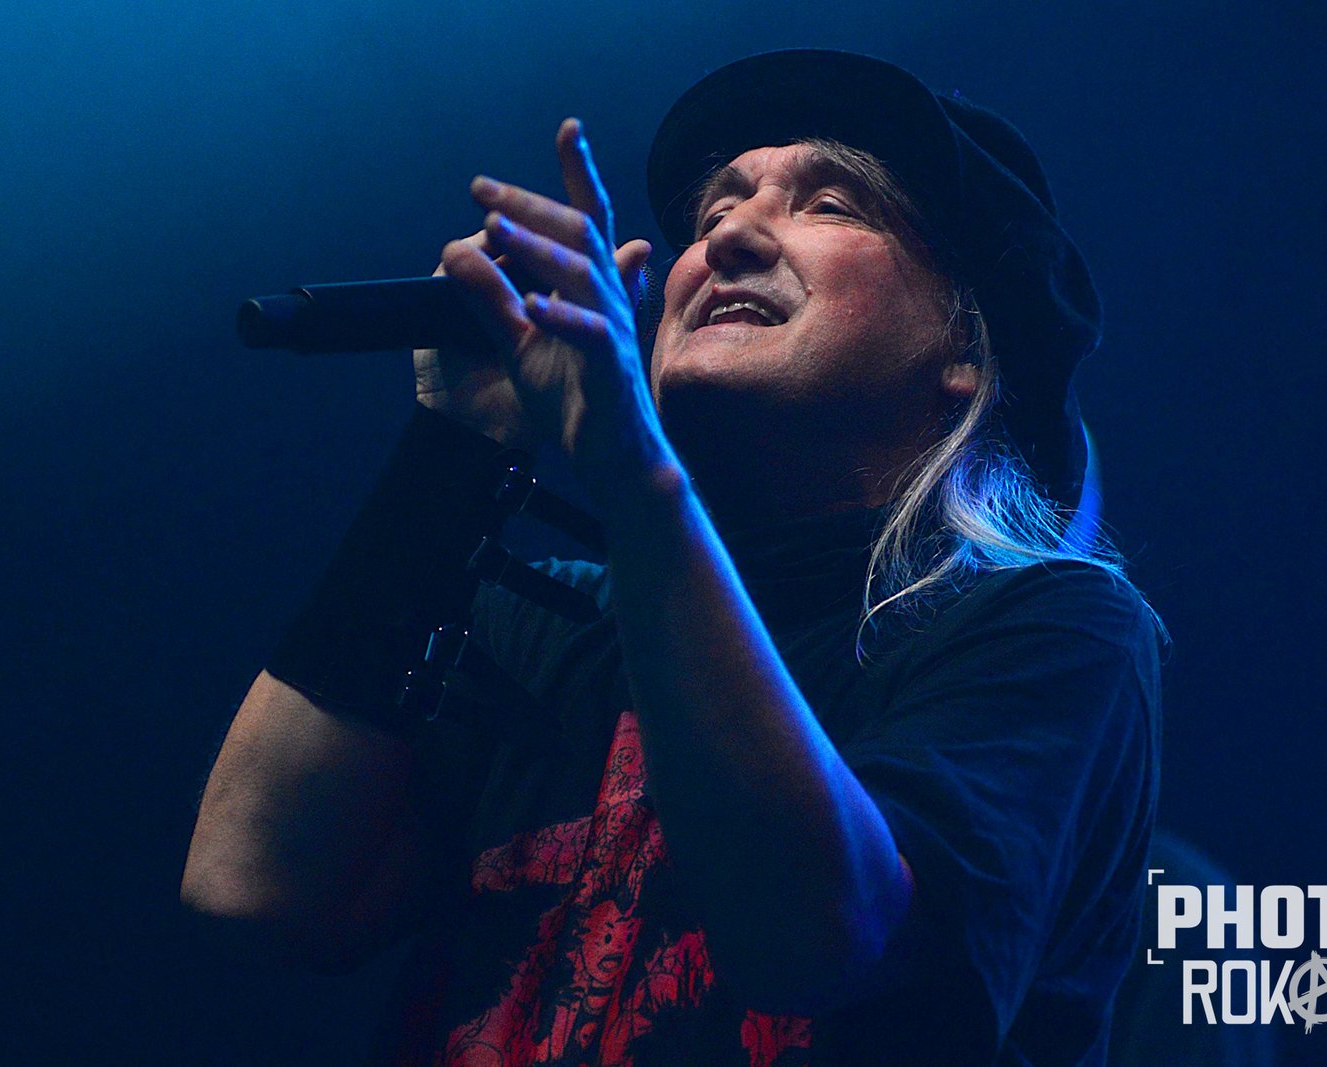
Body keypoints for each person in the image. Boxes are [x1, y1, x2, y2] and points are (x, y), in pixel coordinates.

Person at [182, 49, 1162, 1066]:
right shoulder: (554, 623)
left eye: (829, 204)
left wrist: (630, 464)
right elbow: (252, 877)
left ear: (965, 346)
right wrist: (455, 446)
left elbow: (813, 934)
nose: (727, 235)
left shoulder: (1049, 626)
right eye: (713, 213)